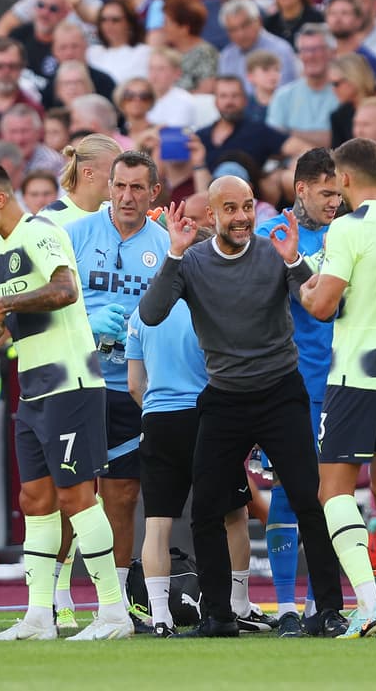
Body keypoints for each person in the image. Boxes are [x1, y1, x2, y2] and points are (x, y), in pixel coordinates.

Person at [137, 177, 345, 637]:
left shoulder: (274, 251)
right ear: (211, 216)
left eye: (248, 206)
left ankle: (328, 609)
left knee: (310, 500)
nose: (242, 217)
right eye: (230, 208)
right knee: (207, 510)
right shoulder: (190, 262)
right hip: (225, 397)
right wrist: (172, 254)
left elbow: (321, 306)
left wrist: (294, 259)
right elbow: (150, 314)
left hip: (279, 392)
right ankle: (219, 616)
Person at [0, 163, 132, 641]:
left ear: (0, 199)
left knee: (76, 497)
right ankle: (38, 618)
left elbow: (65, 290)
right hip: (33, 388)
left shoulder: (39, 231)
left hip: (72, 381)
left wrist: (4, 304)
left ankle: (114, 613)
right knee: (35, 500)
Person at [297, 139, 376, 637]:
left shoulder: (346, 228)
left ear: (344, 179)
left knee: (333, 490)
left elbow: (323, 305)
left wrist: (308, 287)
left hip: (356, 373)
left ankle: (368, 605)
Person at [62, 150, 177, 632]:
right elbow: (47, 302)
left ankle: (117, 601)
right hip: (78, 380)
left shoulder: (166, 243)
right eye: (120, 186)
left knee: (123, 495)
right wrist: (85, 324)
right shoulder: (74, 235)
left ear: (153, 193)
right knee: (68, 492)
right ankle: (54, 594)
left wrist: (142, 331)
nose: (127, 196)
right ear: (107, 186)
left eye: (137, 188)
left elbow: (177, 313)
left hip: (132, 385)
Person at [126, 225, 257, 638]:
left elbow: (133, 384)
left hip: (157, 419)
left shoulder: (143, 309)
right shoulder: (212, 307)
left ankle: (161, 616)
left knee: (158, 523)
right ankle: (238, 603)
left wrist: (156, 407)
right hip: (206, 417)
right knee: (233, 515)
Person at [254, 148, 342, 636]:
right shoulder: (271, 236)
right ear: (301, 188)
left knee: (334, 493)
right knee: (290, 493)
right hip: (293, 384)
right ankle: (285, 605)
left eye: (338, 192)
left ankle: (319, 604)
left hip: (346, 382)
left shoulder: (348, 232)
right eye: (325, 193)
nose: (334, 202)